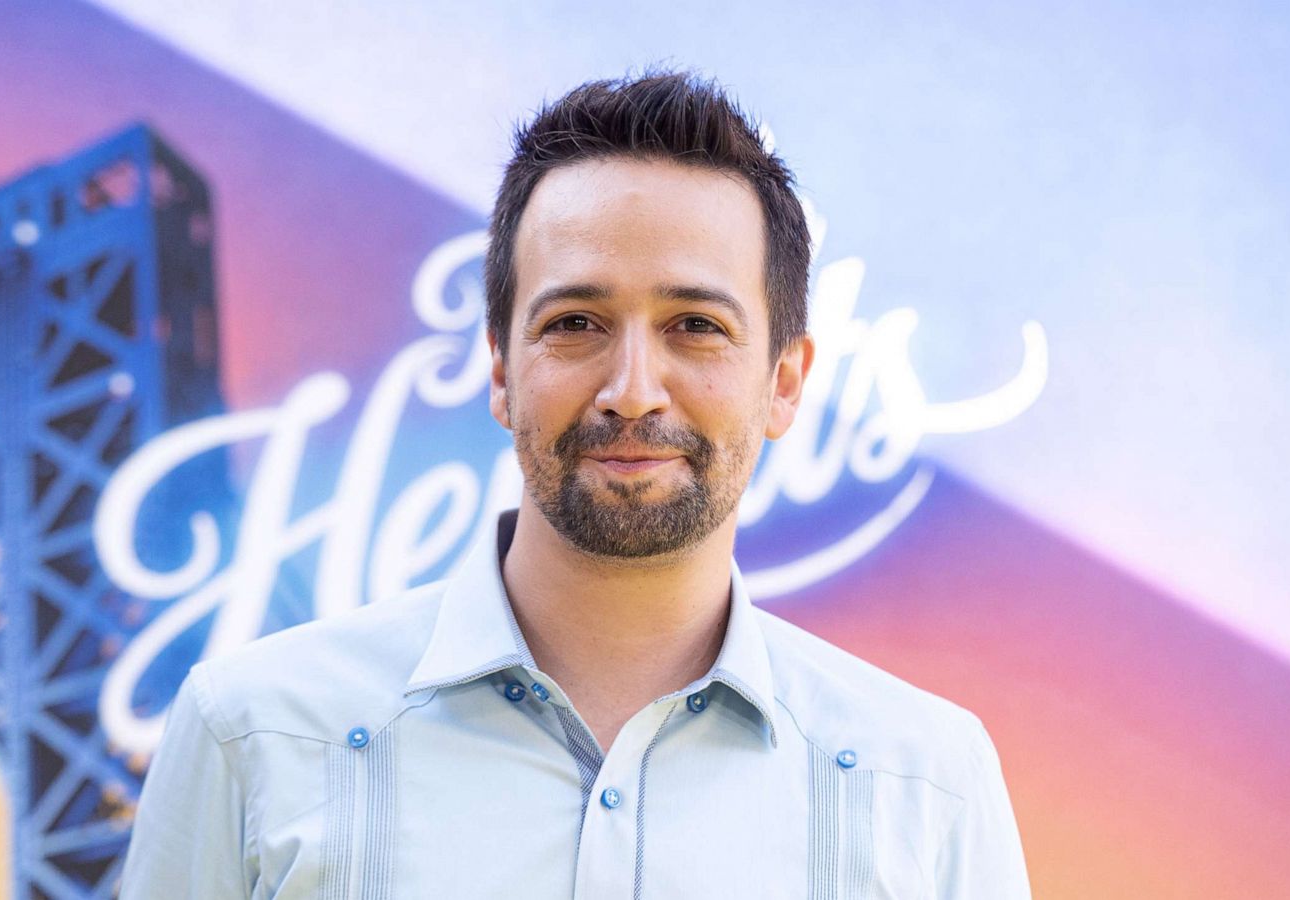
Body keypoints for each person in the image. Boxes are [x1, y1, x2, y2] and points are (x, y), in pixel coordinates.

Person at [120, 71, 1031, 899]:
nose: (632, 388)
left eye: (696, 326)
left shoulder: (928, 785)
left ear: (785, 381)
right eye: (577, 322)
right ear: (501, 371)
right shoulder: (249, 734)